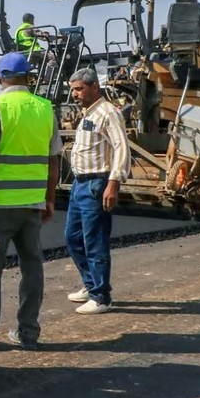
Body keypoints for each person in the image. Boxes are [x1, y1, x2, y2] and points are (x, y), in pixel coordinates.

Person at [0, 53, 61, 350]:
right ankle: (28, 334)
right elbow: (53, 160)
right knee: (32, 267)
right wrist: (49, 199)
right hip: (32, 204)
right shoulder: (45, 108)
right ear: (29, 76)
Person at [64, 67, 130, 314]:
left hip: (96, 184)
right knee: (72, 238)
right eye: (73, 90)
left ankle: (101, 297)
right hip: (79, 184)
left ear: (94, 87)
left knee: (95, 241)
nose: (75, 94)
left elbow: (121, 147)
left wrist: (113, 183)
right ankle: (91, 284)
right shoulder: (87, 114)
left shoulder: (107, 113)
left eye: (79, 89)